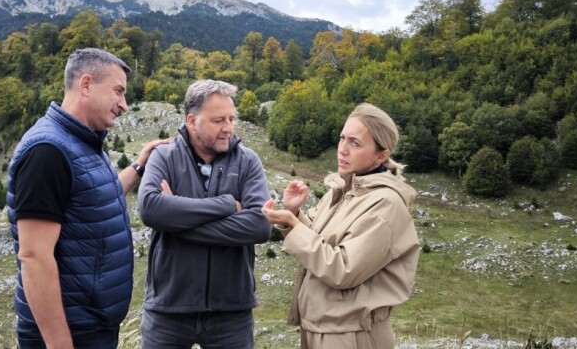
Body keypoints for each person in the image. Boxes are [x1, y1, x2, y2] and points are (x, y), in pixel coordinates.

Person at [6, 48, 170, 349]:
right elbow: (34, 256)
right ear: (86, 85)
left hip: (92, 326)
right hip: (70, 333)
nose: (124, 105)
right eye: (118, 92)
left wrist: (138, 165)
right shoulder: (48, 152)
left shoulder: (82, 142)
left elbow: (96, 200)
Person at [261, 103, 420, 349]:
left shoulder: (386, 205)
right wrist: (293, 214)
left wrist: (294, 224)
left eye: (355, 143)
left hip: (351, 336)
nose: (342, 150)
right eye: (342, 138)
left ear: (382, 154)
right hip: (320, 328)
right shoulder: (343, 189)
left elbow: (342, 269)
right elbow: (317, 238)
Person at [137, 79, 272, 349]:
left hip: (232, 313)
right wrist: (225, 205)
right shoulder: (164, 157)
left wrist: (176, 219)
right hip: (168, 309)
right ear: (191, 120)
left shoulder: (248, 161)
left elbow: (260, 225)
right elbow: (151, 209)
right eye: (218, 120)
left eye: (232, 119)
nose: (228, 128)